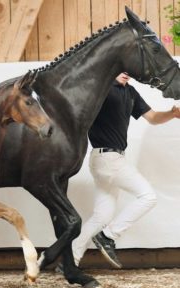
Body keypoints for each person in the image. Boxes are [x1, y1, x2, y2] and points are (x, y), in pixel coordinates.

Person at [71, 72, 180, 268]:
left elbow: (153, 117)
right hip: (108, 159)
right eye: (122, 69)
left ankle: (70, 260)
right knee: (148, 196)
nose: (126, 73)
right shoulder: (100, 89)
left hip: (110, 159)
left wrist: (172, 114)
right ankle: (108, 236)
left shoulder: (130, 92)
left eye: (129, 70)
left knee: (101, 216)